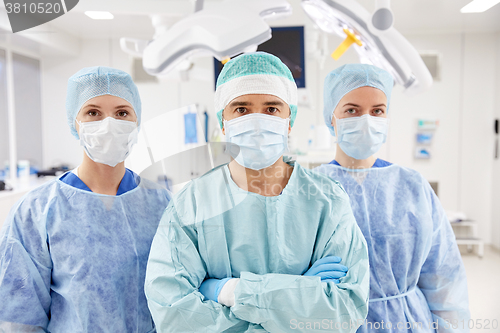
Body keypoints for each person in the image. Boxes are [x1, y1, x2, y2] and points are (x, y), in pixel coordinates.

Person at [145, 52, 370, 333]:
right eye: (241, 109)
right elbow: (173, 314)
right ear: (223, 122)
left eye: (271, 109)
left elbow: (345, 309)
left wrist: (231, 291)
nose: (257, 121)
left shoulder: (328, 202)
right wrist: (298, 294)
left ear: (290, 120)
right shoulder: (191, 205)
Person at [0, 66, 171, 332]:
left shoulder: (162, 204)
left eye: (122, 113)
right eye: (93, 113)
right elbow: (20, 316)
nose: (108, 124)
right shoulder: (35, 212)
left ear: (136, 122)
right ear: (74, 122)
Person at [315, 64, 470, 333]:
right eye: (352, 110)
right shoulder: (312, 189)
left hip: (409, 323)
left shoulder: (413, 186)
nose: (366, 119)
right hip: (337, 323)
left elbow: (444, 277)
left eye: (377, 111)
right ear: (332, 118)